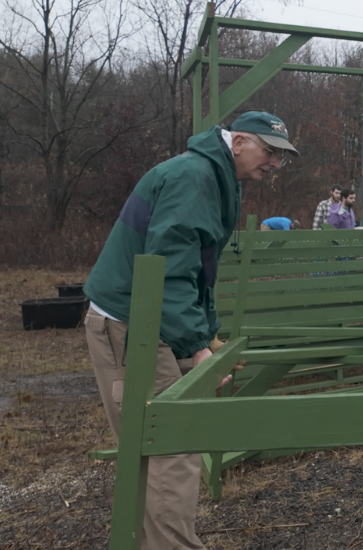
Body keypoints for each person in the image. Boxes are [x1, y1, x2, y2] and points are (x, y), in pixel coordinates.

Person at [83, 111, 297, 550]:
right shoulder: (197, 177)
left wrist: (208, 333)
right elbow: (169, 273)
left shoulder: (216, 175)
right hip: (131, 323)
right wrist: (198, 349)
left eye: (281, 157)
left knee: (158, 444)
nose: (275, 165)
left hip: (147, 316)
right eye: (270, 152)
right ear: (238, 142)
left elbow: (201, 270)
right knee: (170, 446)